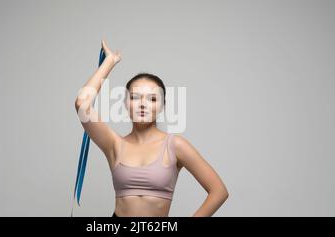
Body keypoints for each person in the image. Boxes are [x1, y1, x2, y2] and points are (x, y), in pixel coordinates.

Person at [74, 39, 229, 217]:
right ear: (125, 103)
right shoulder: (114, 144)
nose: (143, 105)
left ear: (163, 105)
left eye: (152, 99)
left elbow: (219, 191)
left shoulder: (175, 145)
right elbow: (82, 104)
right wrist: (109, 61)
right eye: (135, 97)